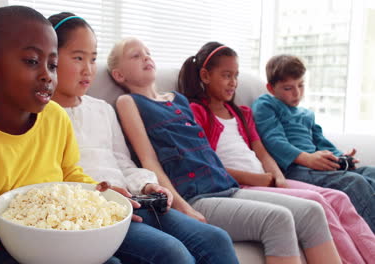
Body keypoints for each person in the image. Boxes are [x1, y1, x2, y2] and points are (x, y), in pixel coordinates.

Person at [109, 37, 342, 264]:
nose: (146, 57)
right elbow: (149, 161)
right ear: (119, 74)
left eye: (148, 52)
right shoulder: (128, 102)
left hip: (226, 185)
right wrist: (184, 208)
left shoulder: (178, 100)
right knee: (278, 219)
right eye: (136, 55)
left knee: (312, 211)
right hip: (197, 195)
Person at [0, 6, 122, 264]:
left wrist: (95, 196)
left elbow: (69, 172)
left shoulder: (55, 117)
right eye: (32, 61)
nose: (47, 76)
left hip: (56, 229)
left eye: (52, 65)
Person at [48, 12, 239, 264]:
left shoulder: (102, 109)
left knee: (217, 239)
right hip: (99, 215)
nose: (88, 69)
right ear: (50, 59)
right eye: (78, 58)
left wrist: (148, 186)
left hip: (136, 201)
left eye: (93, 59)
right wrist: (104, 200)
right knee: (172, 253)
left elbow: (123, 163)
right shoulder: (43, 117)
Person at [178, 41, 375, 264]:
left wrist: (278, 178)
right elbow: (206, 165)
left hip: (267, 179)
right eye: (226, 75)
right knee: (315, 202)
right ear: (205, 76)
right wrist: (260, 179)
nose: (233, 83)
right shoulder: (197, 112)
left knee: (337, 198)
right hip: (242, 184)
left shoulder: (241, 113)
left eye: (236, 75)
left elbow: (262, 153)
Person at [252, 54, 375, 233]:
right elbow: (274, 141)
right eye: (288, 88)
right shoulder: (266, 104)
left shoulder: (306, 114)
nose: (297, 93)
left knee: (370, 173)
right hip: (294, 168)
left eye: (301, 85)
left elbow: (321, 142)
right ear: (271, 88)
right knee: (354, 182)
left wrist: (340, 156)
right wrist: (307, 159)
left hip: (317, 165)